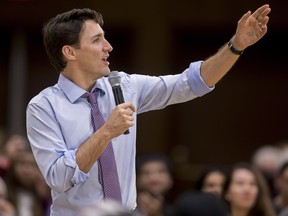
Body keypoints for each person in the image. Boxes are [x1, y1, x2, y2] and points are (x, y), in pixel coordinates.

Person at [26, 4, 271, 215]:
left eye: (105, 37)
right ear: (70, 52)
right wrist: (106, 132)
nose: (108, 47)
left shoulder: (123, 85)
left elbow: (190, 84)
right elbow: (58, 177)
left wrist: (236, 46)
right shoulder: (43, 107)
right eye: (96, 40)